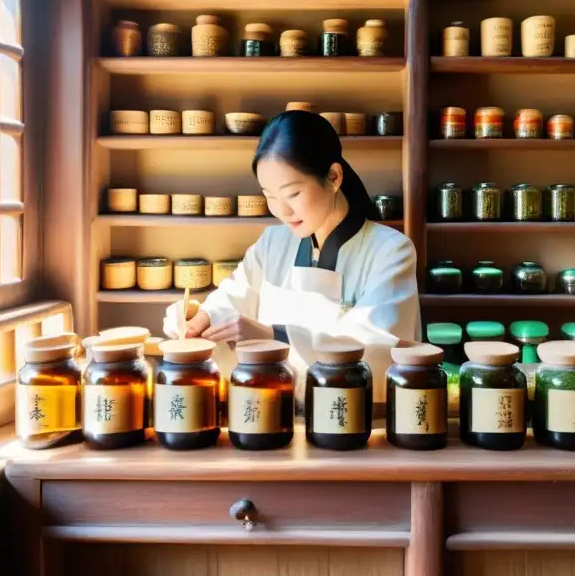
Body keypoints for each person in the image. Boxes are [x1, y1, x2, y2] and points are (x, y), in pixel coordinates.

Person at [162, 109, 420, 402]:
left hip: (353, 423)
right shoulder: (272, 242)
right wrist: (203, 318)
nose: (281, 211)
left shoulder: (391, 250)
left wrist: (272, 336)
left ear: (334, 177)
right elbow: (233, 297)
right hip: (271, 411)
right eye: (269, 196)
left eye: (292, 194)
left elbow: (374, 347)